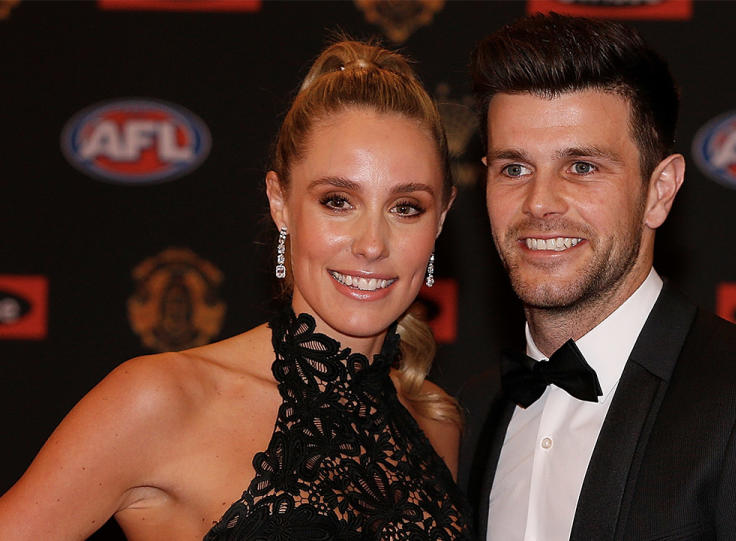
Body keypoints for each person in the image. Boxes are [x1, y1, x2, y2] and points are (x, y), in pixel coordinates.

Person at [0, 40, 470, 540]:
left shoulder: (434, 423)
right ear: (280, 202)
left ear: (440, 219)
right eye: (337, 200)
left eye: (406, 207)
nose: (372, 244)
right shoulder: (161, 400)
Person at [466, 13, 736, 540]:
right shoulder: (473, 410)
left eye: (582, 167)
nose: (540, 202)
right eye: (514, 168)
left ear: (659, 190)